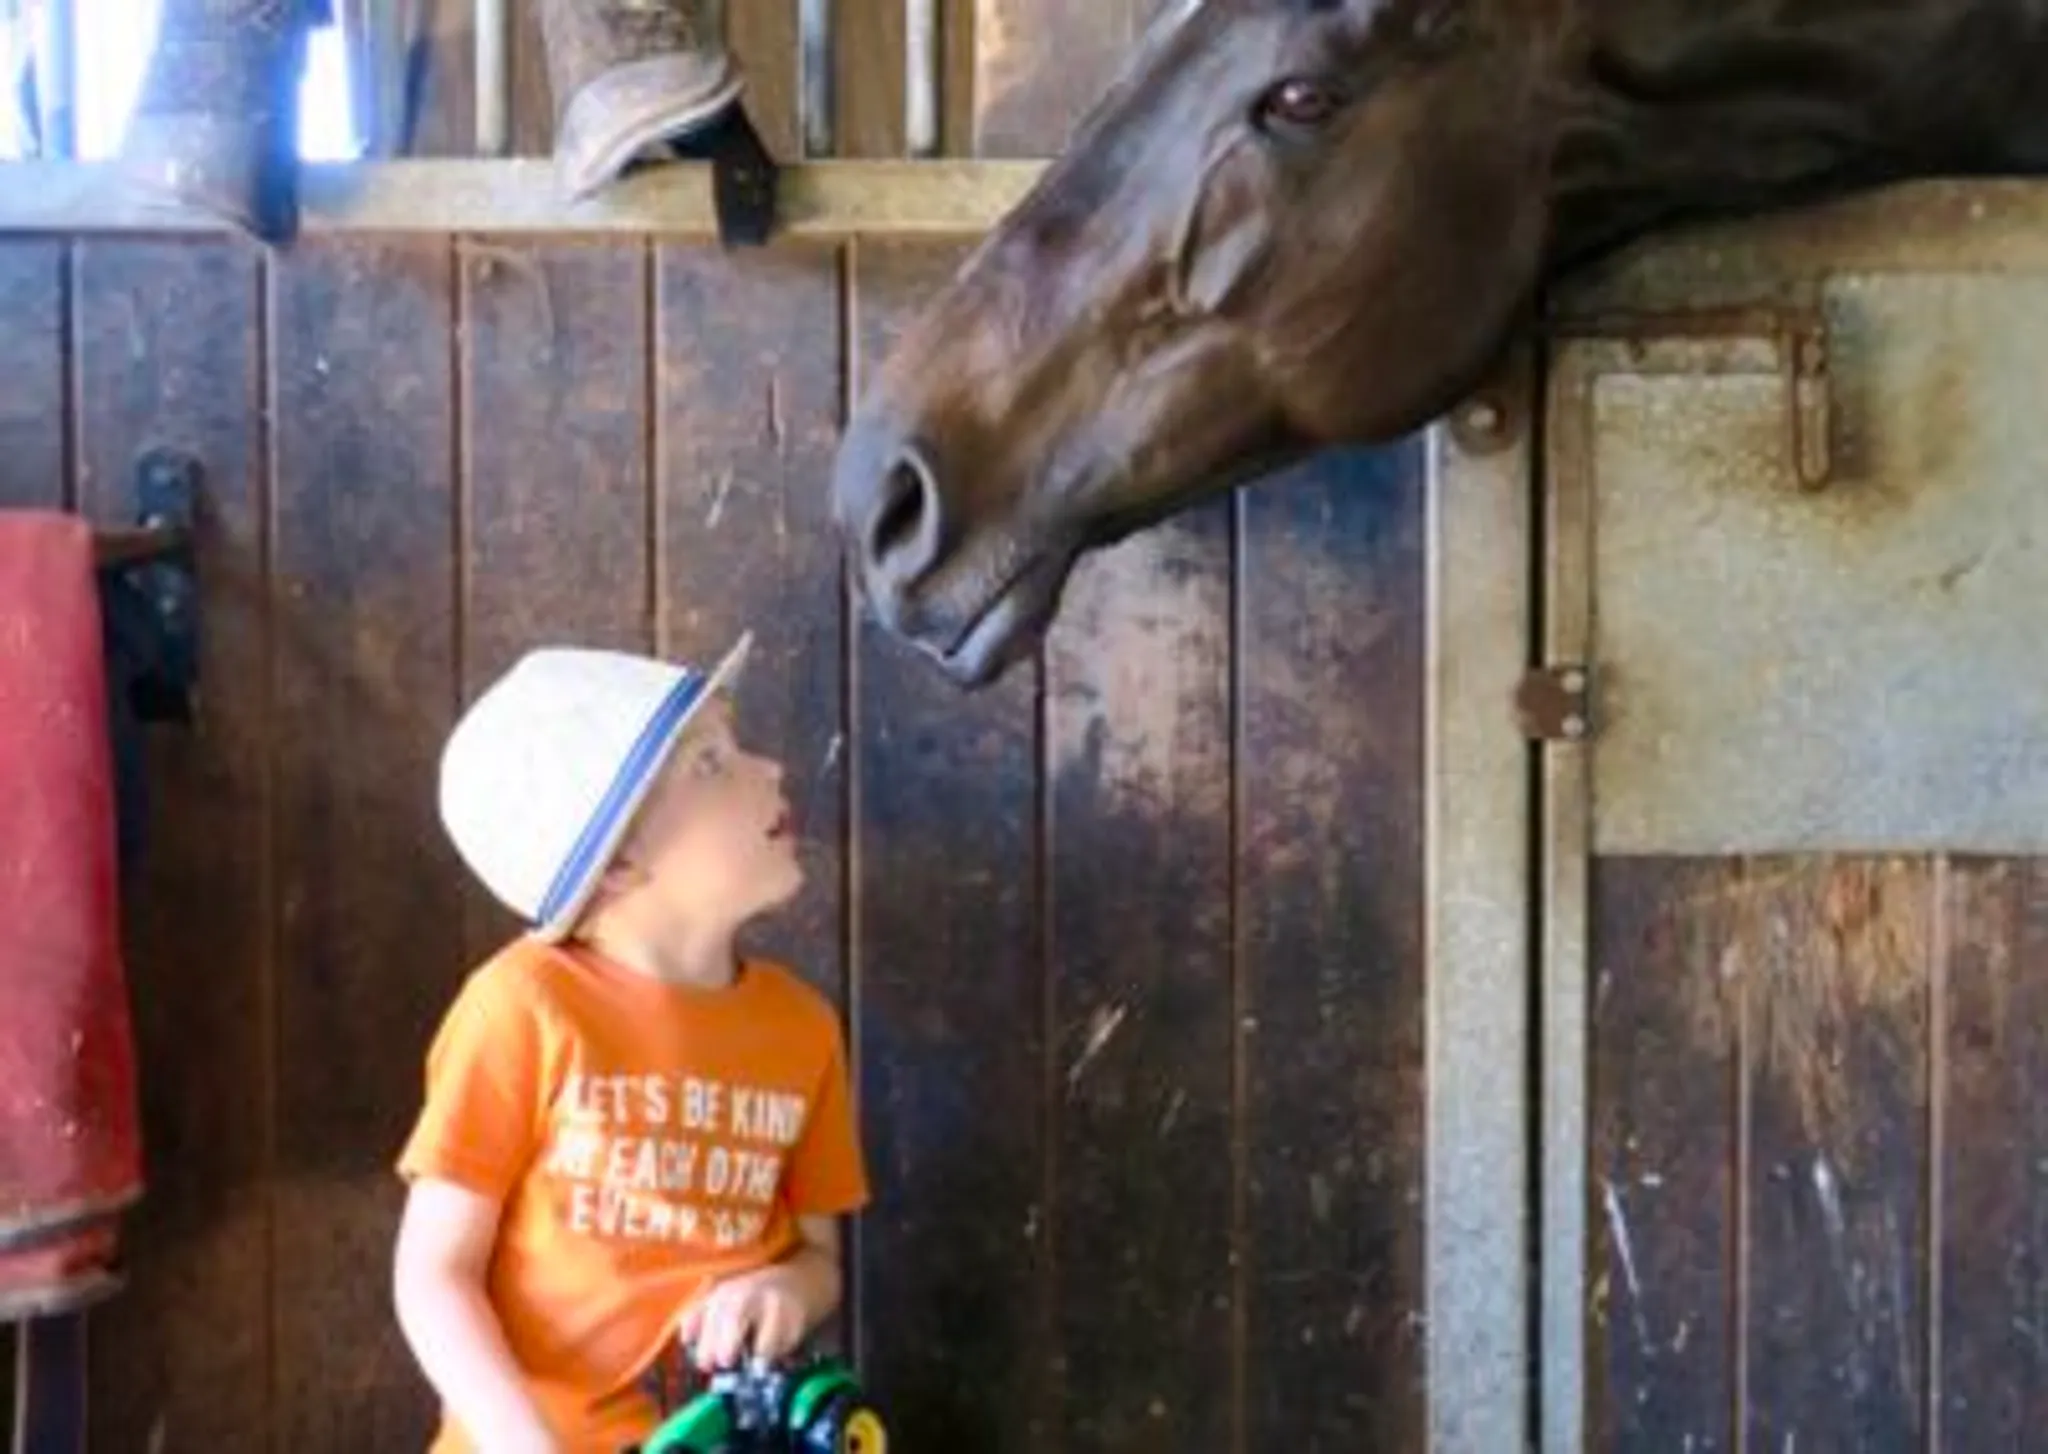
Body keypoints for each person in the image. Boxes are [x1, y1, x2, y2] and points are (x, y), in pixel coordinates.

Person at [391, 633, 870, 1453]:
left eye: (735, 746)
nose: (770, 771)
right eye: (710, 764)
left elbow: (821, 1255)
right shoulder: (522, 1008)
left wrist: (788, 1287)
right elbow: (434, 1276)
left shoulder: (804, 1026)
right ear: (614, 866)